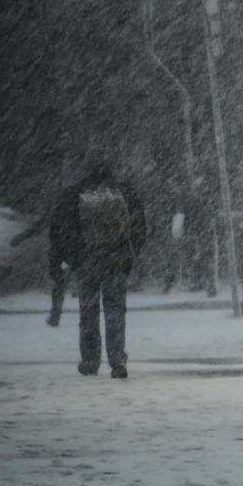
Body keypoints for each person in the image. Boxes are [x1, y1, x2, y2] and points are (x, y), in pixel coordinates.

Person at [49, 149, 148, 378]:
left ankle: (90, 360)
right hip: (115, 260)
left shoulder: (74, 194)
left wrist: (71, 258)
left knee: (88, 312)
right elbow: (139, 227)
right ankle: (117, 359)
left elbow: (60, 231)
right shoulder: (124, 192)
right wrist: (128, 256)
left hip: (87, 263)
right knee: (115, 310)